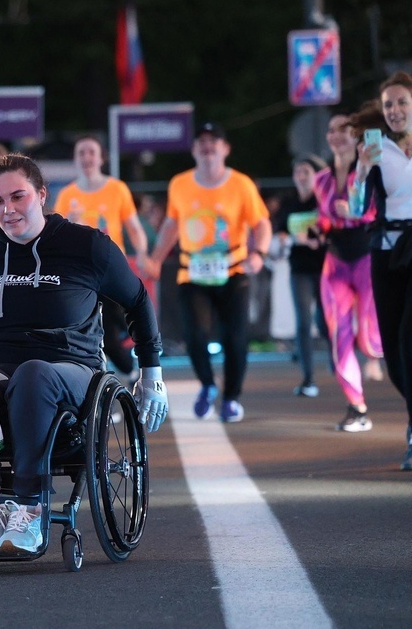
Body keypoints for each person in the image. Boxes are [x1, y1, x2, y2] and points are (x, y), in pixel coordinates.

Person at [0, 153, 166, 554]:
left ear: (42, 195)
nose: (8, 210)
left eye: (18, 196)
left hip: (70, 368)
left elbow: (136, 300)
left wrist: (151, 374)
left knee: (34, 373)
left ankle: (29, 507)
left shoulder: (87, 246)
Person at [143, 122, 271, 423]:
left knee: (235, 338)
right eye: (201, 141)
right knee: (195, 335)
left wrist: (259, 254)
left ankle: (232, 398)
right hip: (193, 273)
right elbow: (172, 224)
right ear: (193, 150)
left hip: (233, 270)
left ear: (226, 149)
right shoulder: (180, 184)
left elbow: (261, 222)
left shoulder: (241, 184)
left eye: (214, 141)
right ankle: (207, 385)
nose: (207, 146)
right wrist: (156, 258)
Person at [351, 71, 412, 471]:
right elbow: (357, 208)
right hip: (387, 251)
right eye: (388, 104)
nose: (394, 110)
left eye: (402, 102)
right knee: (392, 357)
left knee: (410, 341)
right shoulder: (375, 150)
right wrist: (359, 170)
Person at [53, 135, 151, 379]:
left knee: (115, 323)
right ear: (75, 159)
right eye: (81, 153)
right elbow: (55, 236)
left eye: (91, 152)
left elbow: (134, 227)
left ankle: (133, 364)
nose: (86, 157)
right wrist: (69, 225)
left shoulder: (117, 189)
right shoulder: (67, 195)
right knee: (99, 333)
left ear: (101, 158)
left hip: (111, 270)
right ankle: (122, 375)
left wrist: (142, 254)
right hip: (81, 274)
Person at [315, 113, 384, 432]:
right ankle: (357, 407)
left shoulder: (370, 170)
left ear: (357, 136)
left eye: (344, 129)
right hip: (335, 261)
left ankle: (375, 355)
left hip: (367, 254)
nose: (337, 135)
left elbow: (381, 210)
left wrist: (358, 213)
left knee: (370, 338)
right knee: (339, 337)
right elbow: (323, 218)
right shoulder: (321, 180)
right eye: (332, 130)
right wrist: (316, 229)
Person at [273, 154, 330, 398]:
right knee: (303, 323)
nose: (302, 176)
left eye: (306, 171)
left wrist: (318, 238)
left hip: (325, 267)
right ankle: (308, 378)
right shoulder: (289, 202)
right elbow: (281, 233)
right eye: (298, 172)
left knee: (325, 321)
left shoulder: (324, 200)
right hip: (299, 269)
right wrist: (291, 239)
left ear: (317, 175)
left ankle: (337, 361)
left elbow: (332, 228)